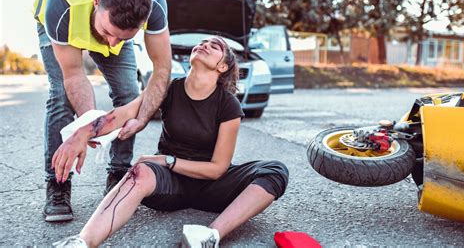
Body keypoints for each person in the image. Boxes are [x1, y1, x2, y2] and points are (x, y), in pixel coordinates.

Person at [51, 36, 289, 247]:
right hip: (169, 185)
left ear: (223, 66)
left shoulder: (228, 105)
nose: (204, 44)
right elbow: (124, 113)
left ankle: (210, 235)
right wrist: (82, 134)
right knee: (140, 171)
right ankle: (81, 242)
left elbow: (217, 169)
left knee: (275, 170)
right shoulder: (167, 88)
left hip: (209, 185)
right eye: (202, 43)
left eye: (214, 46)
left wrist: (167, 160)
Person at [33, 0, 171, 222]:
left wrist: (142, 117)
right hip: (61, 23)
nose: (111, 43)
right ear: (97, 0)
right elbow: (74, 75)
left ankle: (118, 175)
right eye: (108, 32)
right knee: (60, 97)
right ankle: (58, 183)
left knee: (128, 94)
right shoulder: (60, 4)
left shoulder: (154, 1)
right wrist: (87, 127)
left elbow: (162, 69)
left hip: (100, 17)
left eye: (124, 38)